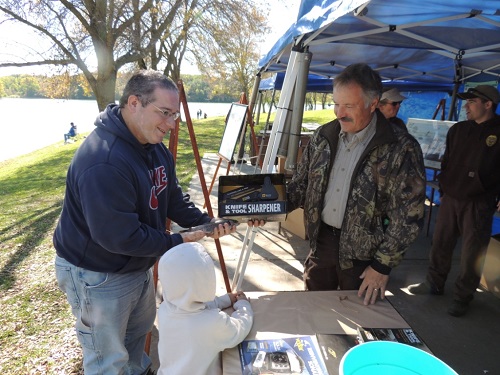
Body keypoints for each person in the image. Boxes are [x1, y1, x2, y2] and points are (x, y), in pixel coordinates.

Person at [53, 70, 262, 374]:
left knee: (137, 343)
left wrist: (208, 223)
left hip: (136, 263)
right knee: (107, 359)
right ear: (134, 103)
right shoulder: (104, 161)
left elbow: (173, 199)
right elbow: (118, 236)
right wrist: (178, 240)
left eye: (175, 115)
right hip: (97, 273)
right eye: (164, 113)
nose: (170, 124)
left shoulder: (154, 147)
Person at [286, 63, 426, 306]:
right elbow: (300, 187)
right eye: (336, 104)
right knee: (315, 314)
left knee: (361, 325)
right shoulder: (322, 137)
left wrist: (382, 265)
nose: (339, 113)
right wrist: (265, 207)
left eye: (349, 106)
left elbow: (408, 215)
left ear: (373, 104)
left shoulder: (401, 148)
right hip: (322, 246)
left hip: (366, 258)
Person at [408, 85, 500, 317]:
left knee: (473, 252)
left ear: (488, 104)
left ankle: (463, 295)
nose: (466, 107)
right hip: (451, 196)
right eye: (466, 102)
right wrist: (445, 187)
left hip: (480, 201)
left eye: (472, 102)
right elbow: (447, 160)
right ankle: (434, 283)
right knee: (441, 242)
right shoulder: (458, 130)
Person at [157, 242, 253, 375]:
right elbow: (238, 329)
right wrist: (243, 305)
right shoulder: (212, 323)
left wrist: (225, 300)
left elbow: (195, 305)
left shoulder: (164, 310)